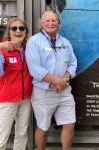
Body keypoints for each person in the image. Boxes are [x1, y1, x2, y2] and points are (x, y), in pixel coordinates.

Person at [25, 10, 77, 150]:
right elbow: (35, 70)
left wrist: (64, 80)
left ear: (58, 24)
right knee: (43, 126)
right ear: (41, 23)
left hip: (65, 91)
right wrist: (57, 81)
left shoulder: (65, 43)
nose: (50, 23)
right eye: (47, 20)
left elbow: (73, 63)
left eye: (54, 20)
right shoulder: (34, 42)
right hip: (43, 93)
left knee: (70, 125)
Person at [0, 17, 32, 150]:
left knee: (22, 134)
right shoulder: (3, 50)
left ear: (26, 32)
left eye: (21, 28)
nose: (18, 31)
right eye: (14, 28)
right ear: (9, 31)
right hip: (8, 99)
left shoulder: (29, 49)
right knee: (2, 136)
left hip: (26, 98)